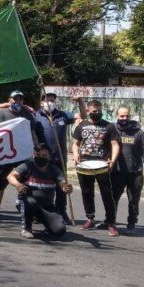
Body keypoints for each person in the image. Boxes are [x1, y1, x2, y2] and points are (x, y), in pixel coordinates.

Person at [34, 92, 85, 223]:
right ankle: (39, 212)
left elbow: (82, 116)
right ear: (41, 103)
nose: (50, 102)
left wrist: (80, 102)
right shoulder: (36, 115)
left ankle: (61, 211)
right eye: (47, 100)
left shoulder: (62, 115)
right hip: (42, 158)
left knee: (62, 186)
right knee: (40, 186)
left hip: (60, 158)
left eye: (52, 100)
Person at [72, 100, 121, 236]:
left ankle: (110, 222)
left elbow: (115, 144)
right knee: (87, 192)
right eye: (94, 111)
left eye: (99, 110)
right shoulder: (81, 126)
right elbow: (75, 143)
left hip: (102, 164)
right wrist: (75, 154)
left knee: (107, 194)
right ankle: (90, 218)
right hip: (85, 164)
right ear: (88, 111)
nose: (97, 113)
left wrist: (113, 160)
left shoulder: (109, 126)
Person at [0, 90, 40, 222]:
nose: (18, 102)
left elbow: (32, 131)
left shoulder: (27, 114)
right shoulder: (2, 113)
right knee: (0, 183)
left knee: (26, 181)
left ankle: (27, 209)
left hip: (23, 153)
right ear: (9, 100)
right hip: (6, 154)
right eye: (15, 99)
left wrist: (36, 146)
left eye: (20, 99)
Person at [7, 145, 73, 239]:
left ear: (49, 156)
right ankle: (27, 228)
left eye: (44, 155)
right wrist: (18, 184)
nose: (41, 157)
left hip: (47, 206)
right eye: (38, 155)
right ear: (33, 155)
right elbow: (10, 176)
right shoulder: (27, 166)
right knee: (30, 202)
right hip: (27, 202)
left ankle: (46, 224)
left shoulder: (54, 170)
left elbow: (62, 183)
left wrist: (66, 188)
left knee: (59, 231)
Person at [112, 107, 144, 231]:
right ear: (117, 116)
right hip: (117, 172)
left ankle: (132, 222)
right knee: (113, 198)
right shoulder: (112, 130)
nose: (124, 118)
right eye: (122, 116)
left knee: (134, 200)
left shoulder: (138, 132)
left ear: (130, 116)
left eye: (127, 116)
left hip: (135, 173)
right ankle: (110, 221)